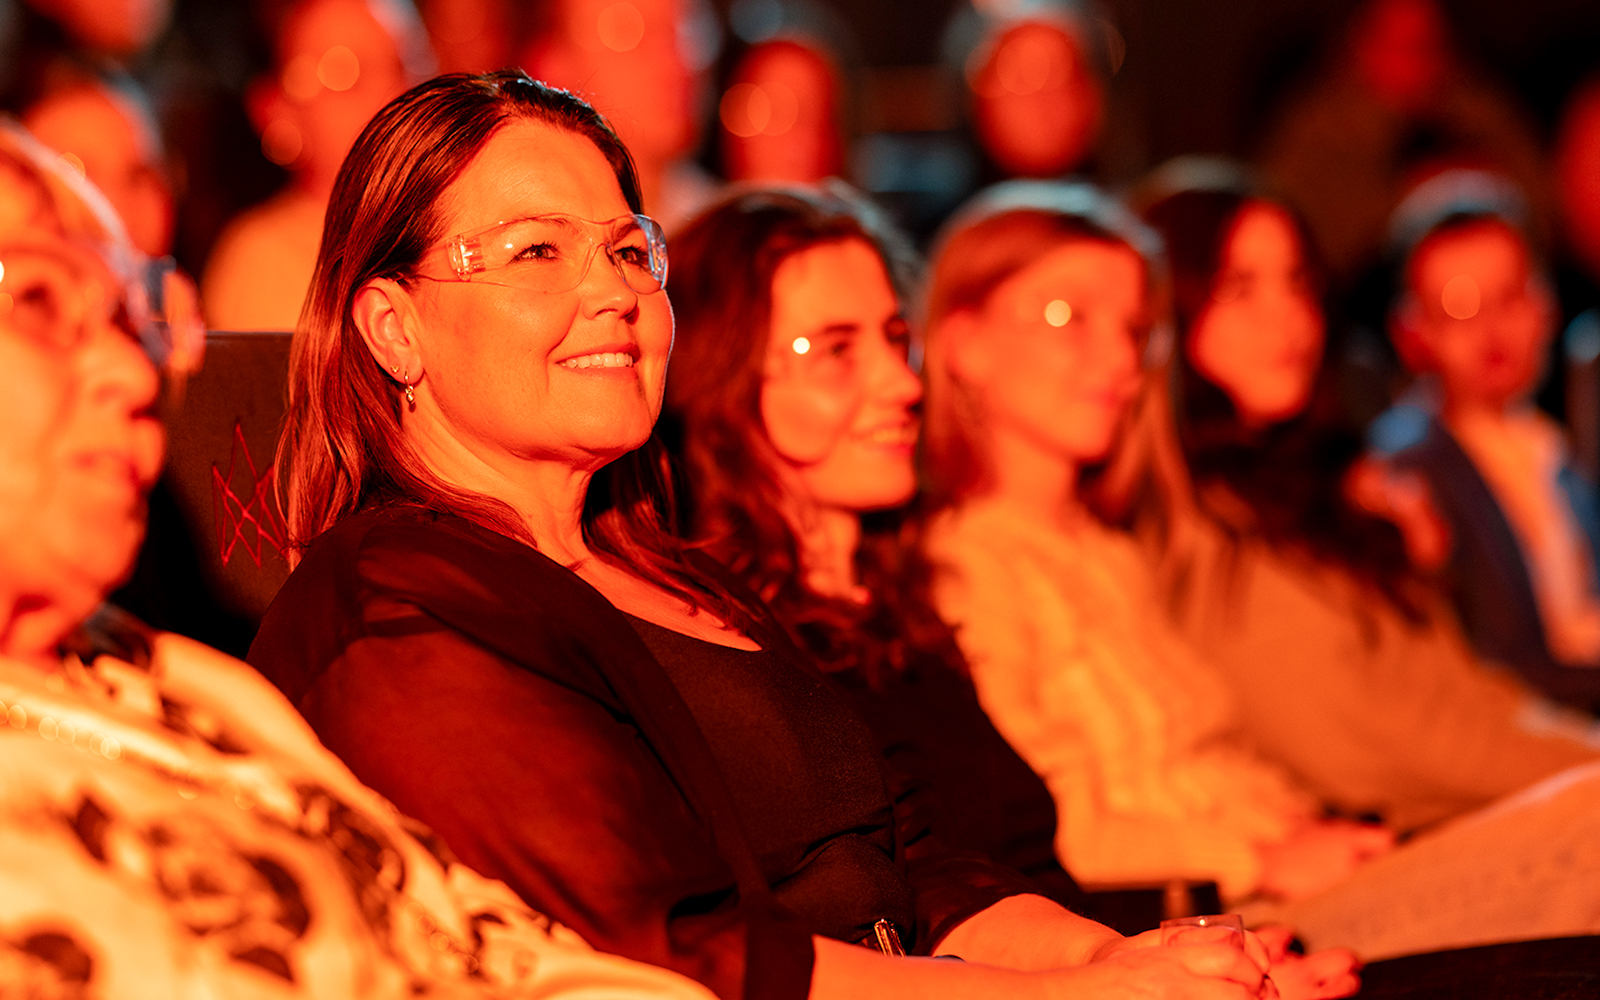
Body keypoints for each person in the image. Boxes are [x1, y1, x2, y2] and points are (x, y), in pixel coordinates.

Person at [247, 70, 1280, 1000]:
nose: (612, 291)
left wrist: (1127, 961)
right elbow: (653, 956)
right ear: (392, 326)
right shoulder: (397, 607)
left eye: (623, 249)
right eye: (537, 251)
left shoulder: (674, 569)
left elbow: (916, 868)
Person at [0, 116, 717, 1000]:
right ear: (393, 329)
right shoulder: (391, 616)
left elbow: (512, 956)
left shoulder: (185, 686)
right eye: (36, 301)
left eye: (128, 318)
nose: (134, 373)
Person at [663, 183, 1362, 999]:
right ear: (720, 375)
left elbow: (1001, 881)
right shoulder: (734, 649)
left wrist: (1162, 957)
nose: (902, 384)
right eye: (837, 349)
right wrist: (1134, 965)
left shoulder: (899, 616)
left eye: (895, 339)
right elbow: (912, 912)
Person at [919, 178, 1600, 959]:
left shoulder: (1108, 545)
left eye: (1134, 329)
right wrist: (1259, 855)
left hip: (1310, 859)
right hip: (1220, 912)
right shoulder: (973, 561)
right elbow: (1041, 835)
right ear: (963, 342)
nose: (1116, 356)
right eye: (1068, 318)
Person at [1124, 162, 1600, 834]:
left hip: (1479, 810)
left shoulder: (1321, 486)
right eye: (1240, 287)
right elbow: (1387, 746)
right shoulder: (1206, 529)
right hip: (1400, 855)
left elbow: (1466, 694)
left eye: (1297, 281)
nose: (1287, 316)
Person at [1372, 170, 1600, 708]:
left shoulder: (1554, 447)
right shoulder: (1410, 472)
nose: (1492, 330)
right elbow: (1496, 672)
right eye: (1459, 307)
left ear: (1546, 306)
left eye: (1510, 297)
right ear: (1413, 334)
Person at [201, 0, 430, 330]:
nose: (390, 95)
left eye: (404, 66)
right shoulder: (264, 258)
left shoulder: (457, 221)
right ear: (276, 111)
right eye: (346, 74)